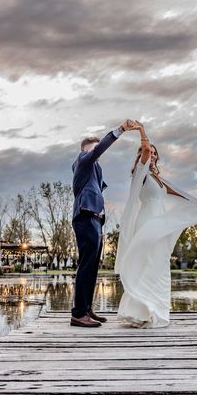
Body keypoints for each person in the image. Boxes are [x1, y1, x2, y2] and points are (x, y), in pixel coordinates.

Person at [115, 121, 197, 328]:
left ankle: (150, 312)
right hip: (147, 222)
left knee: (159, 263)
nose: (151, 155)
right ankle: (138, 311)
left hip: (161, 223)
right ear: (140, 155)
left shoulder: (158, 179)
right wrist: (141, 130)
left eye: (155, 154)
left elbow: (182, 196)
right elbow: (146, 149)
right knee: (146, 263)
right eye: (147, 152)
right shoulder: (140, 173)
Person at [70, 118, 140, 327]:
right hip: (84, 217)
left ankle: (87, 309)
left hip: (95, 220)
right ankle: (78, 313)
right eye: (93, 150)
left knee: (92, 268)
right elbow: (97, 151)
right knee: (85, 266)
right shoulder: (82, 161)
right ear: (85, 151)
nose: (96, 154)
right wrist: (119, 130)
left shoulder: (95, 171)